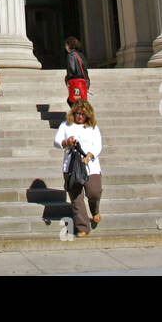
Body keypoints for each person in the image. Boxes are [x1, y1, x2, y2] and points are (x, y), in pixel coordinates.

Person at [54, 99, 102, 237]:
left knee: (94, 192)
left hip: (90, 166)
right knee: (76, 197)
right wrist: (66, 142)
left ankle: (95, 210)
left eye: (83, 114)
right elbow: (57, 142)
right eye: (77, 113)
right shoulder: (66, 125)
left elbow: (98, 145)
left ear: (88, 115)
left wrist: (90, 155)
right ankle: (83, 226)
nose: (80, 116)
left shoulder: (93, 127)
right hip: (71, 166)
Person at [64, 35, 89, 107]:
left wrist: (67, 79)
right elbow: (85, 70)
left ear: (69, 45)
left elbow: (72, 69)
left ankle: (76, 117)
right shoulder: (81, 55)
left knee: (73, 101)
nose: (65, 47)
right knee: (79, 101)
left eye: (66, 45)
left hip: (76, 83)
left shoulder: (71, 55)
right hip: (83, 82)